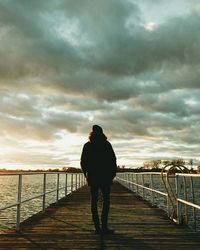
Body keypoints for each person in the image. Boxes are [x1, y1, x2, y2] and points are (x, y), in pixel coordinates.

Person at [80, 125, 117, 234]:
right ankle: (104, 226)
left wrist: (86, 174)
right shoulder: (106, 144)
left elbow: (83, 162)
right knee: (106, 201)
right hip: (105, 176)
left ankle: (97, 227)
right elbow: (113, 160)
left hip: (93, 176)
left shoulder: (87, 145)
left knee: (94, 201)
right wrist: (112, 174)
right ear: (102, 133)